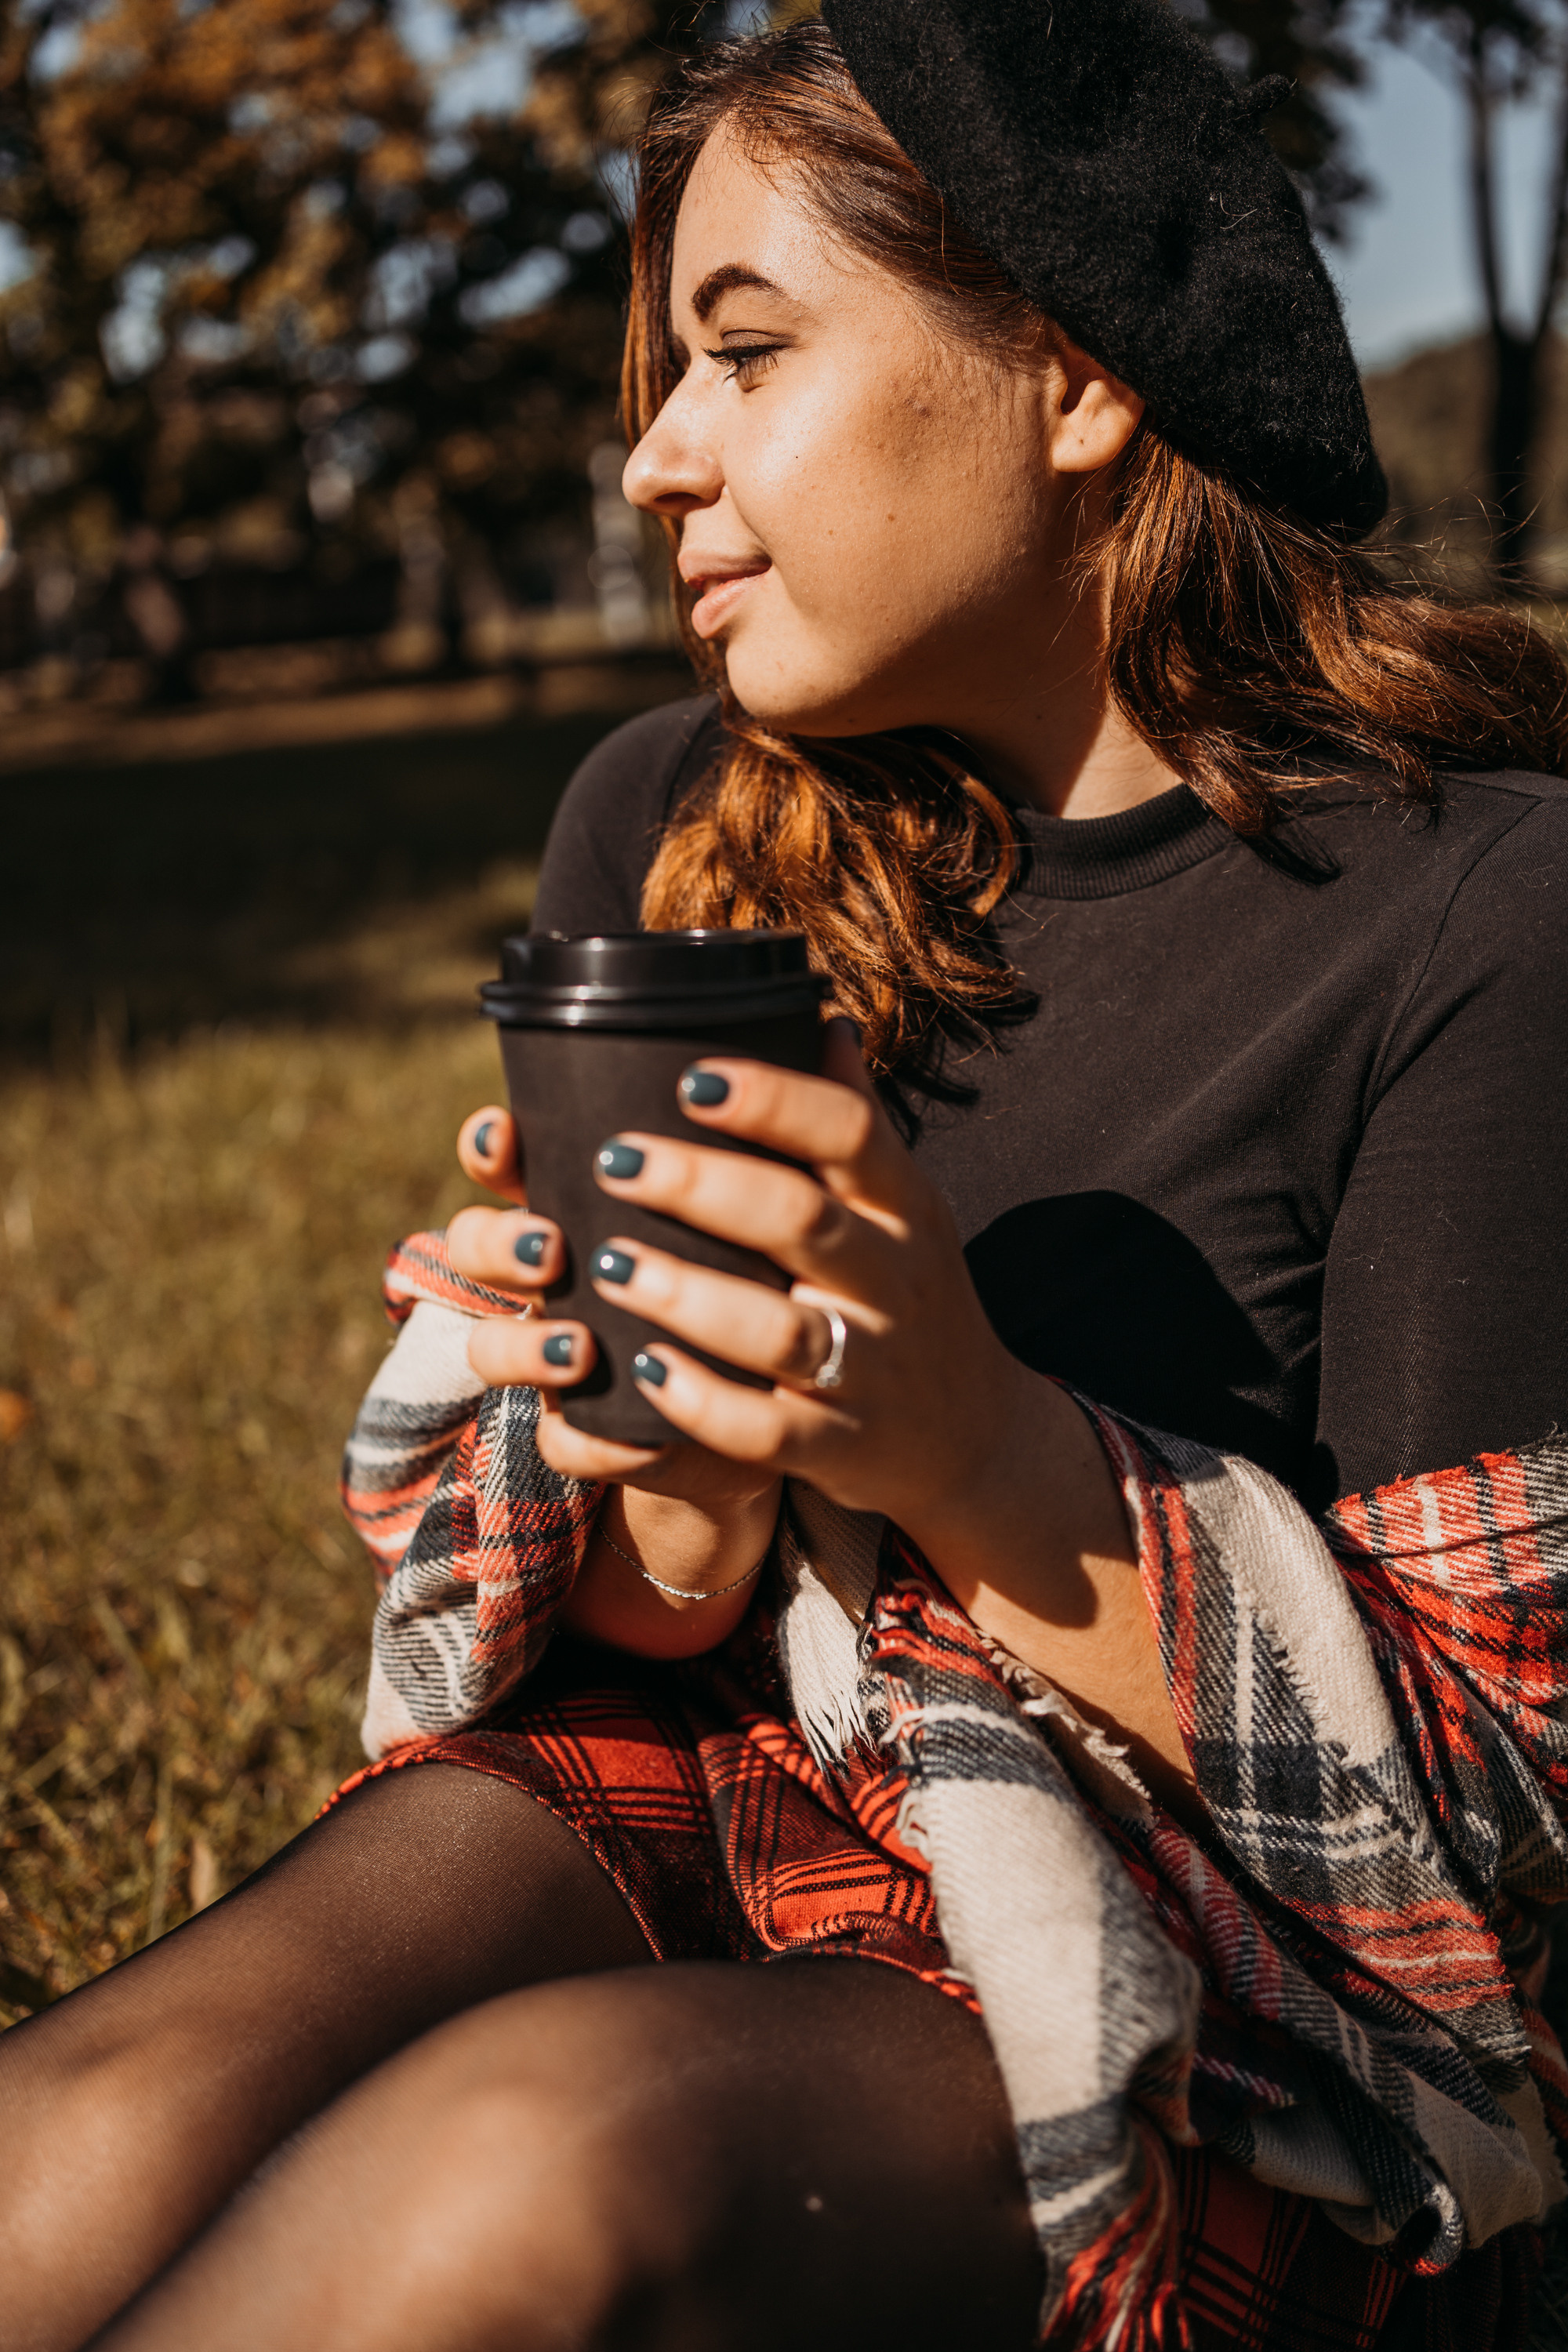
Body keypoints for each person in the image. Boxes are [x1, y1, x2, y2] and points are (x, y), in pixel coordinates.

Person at [5, 4, 1568, 2346]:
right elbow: (646, 1622)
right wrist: (657, 1451)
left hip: (1207, 1972)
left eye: (746, 352)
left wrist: (969, 1444)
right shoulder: (679, 823)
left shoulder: (1475, 914)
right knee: (84, 2132)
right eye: (666, 372)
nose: (652, 457)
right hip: (702, 1767)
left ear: (1073, 378)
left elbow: (1494, 1856)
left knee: (533, 2166)